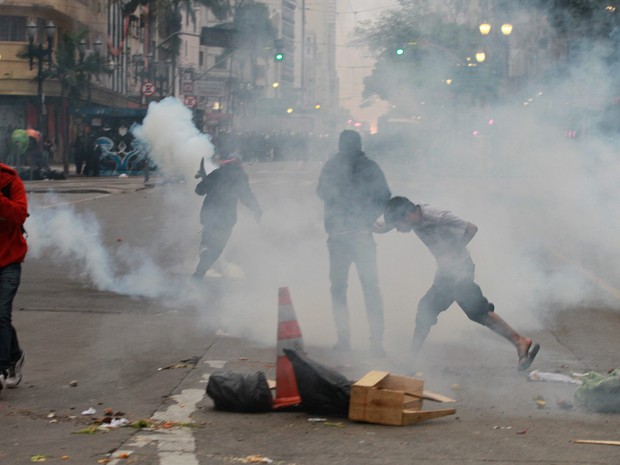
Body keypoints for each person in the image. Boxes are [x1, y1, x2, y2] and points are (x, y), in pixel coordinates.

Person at [376, 196, 540, 371]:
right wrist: (374, 225)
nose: (399, 231)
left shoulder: (437, 216)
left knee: (465, 311)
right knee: (438, 311)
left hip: (459, 271)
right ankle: (519, 342)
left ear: (407, 216)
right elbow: (390, 222)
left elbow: (472, 228)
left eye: (398, 226)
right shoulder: (413, 218)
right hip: (446, 274)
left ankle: (520, 341)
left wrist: (453, 252)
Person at [316, 130, 391, 356]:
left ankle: (344, 340)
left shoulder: (332, 165)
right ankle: (376, 344)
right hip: (361, 235)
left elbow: (321, 191)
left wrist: (337, 203)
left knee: (339, 289)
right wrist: (368, 218)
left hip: (338, 235)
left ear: (340, 145)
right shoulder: (370, 167)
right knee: (371, 288)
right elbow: (385, 197)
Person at [192, 146, 262, 280]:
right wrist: (257, 209)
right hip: (226, 218)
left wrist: (205, 182)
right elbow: (246, 196)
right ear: (239, 163)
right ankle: (199, 273)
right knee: (217, 248)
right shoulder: (241, 176)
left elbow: (199, 191)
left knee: (207, 242)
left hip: (209, 215)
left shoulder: (217, 172)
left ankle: (204, 252)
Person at [0, 163, 28, 393]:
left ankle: (0, 369)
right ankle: (14, 355)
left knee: (0, 314)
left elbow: (19, 214)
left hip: (9, 261)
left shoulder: (10, 180)